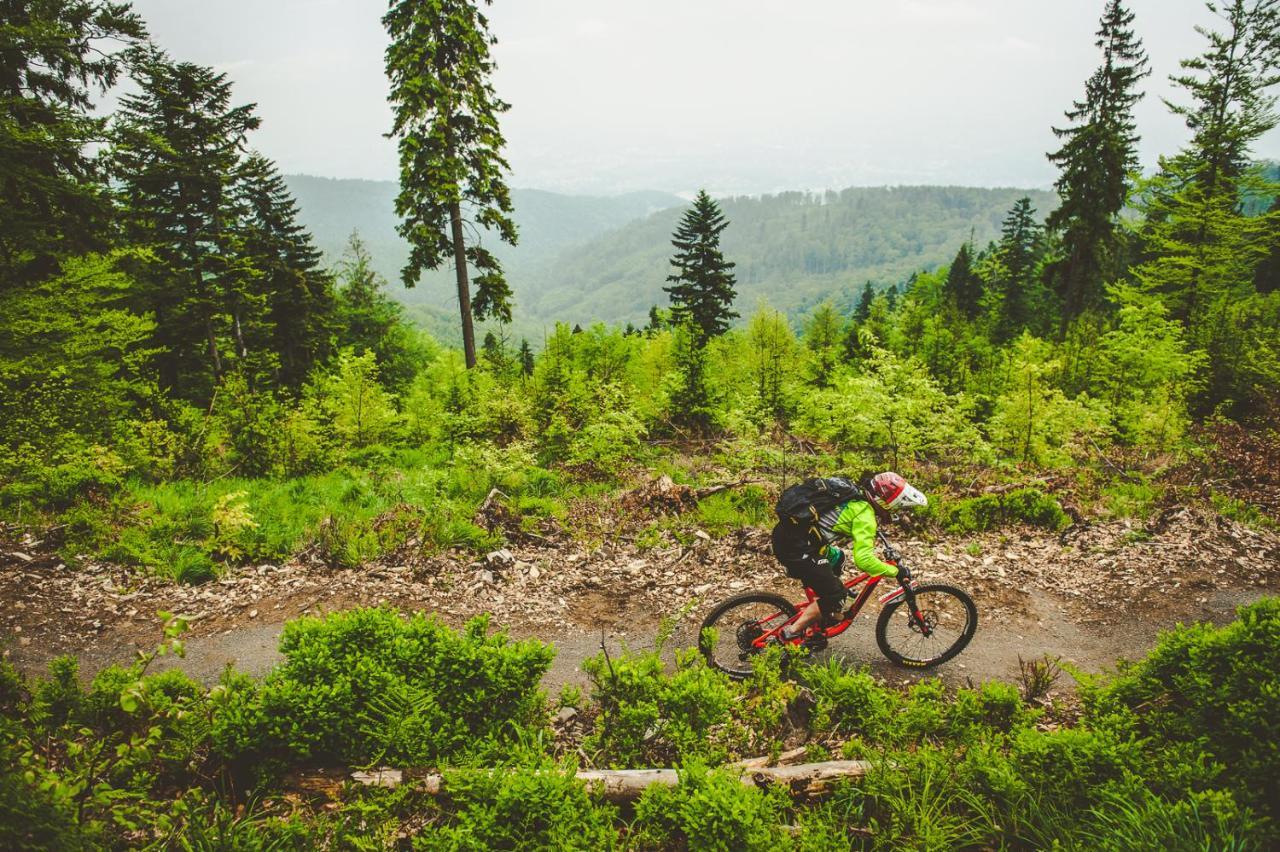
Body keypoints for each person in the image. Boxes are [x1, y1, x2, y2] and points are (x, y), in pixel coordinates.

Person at [771, 472, 928, 644]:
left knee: (838, 558)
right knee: (835, 596)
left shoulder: (855, 495)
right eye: (896, 507)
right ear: (885, 503)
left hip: (790, 536)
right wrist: (895, 571)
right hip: (796, 549)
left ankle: (822, 611)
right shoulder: (865, 515)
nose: (896, 512)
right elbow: (864, 560)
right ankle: (789, 635)